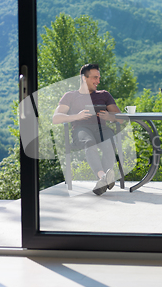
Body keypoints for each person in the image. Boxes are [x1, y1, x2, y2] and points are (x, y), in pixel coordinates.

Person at [52, 63, 122, 196]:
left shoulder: (104, 95)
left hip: (102, 128)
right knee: (89, 142)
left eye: (99, 78)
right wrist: (77, 116)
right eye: (95, 77)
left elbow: (120, 118)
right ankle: (103, 177)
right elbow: (56, 118)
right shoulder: (70, 96)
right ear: (84, 78)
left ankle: (103, 180)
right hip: (81, 129)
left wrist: (109, 116)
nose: (98, 81)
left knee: (109, 141)